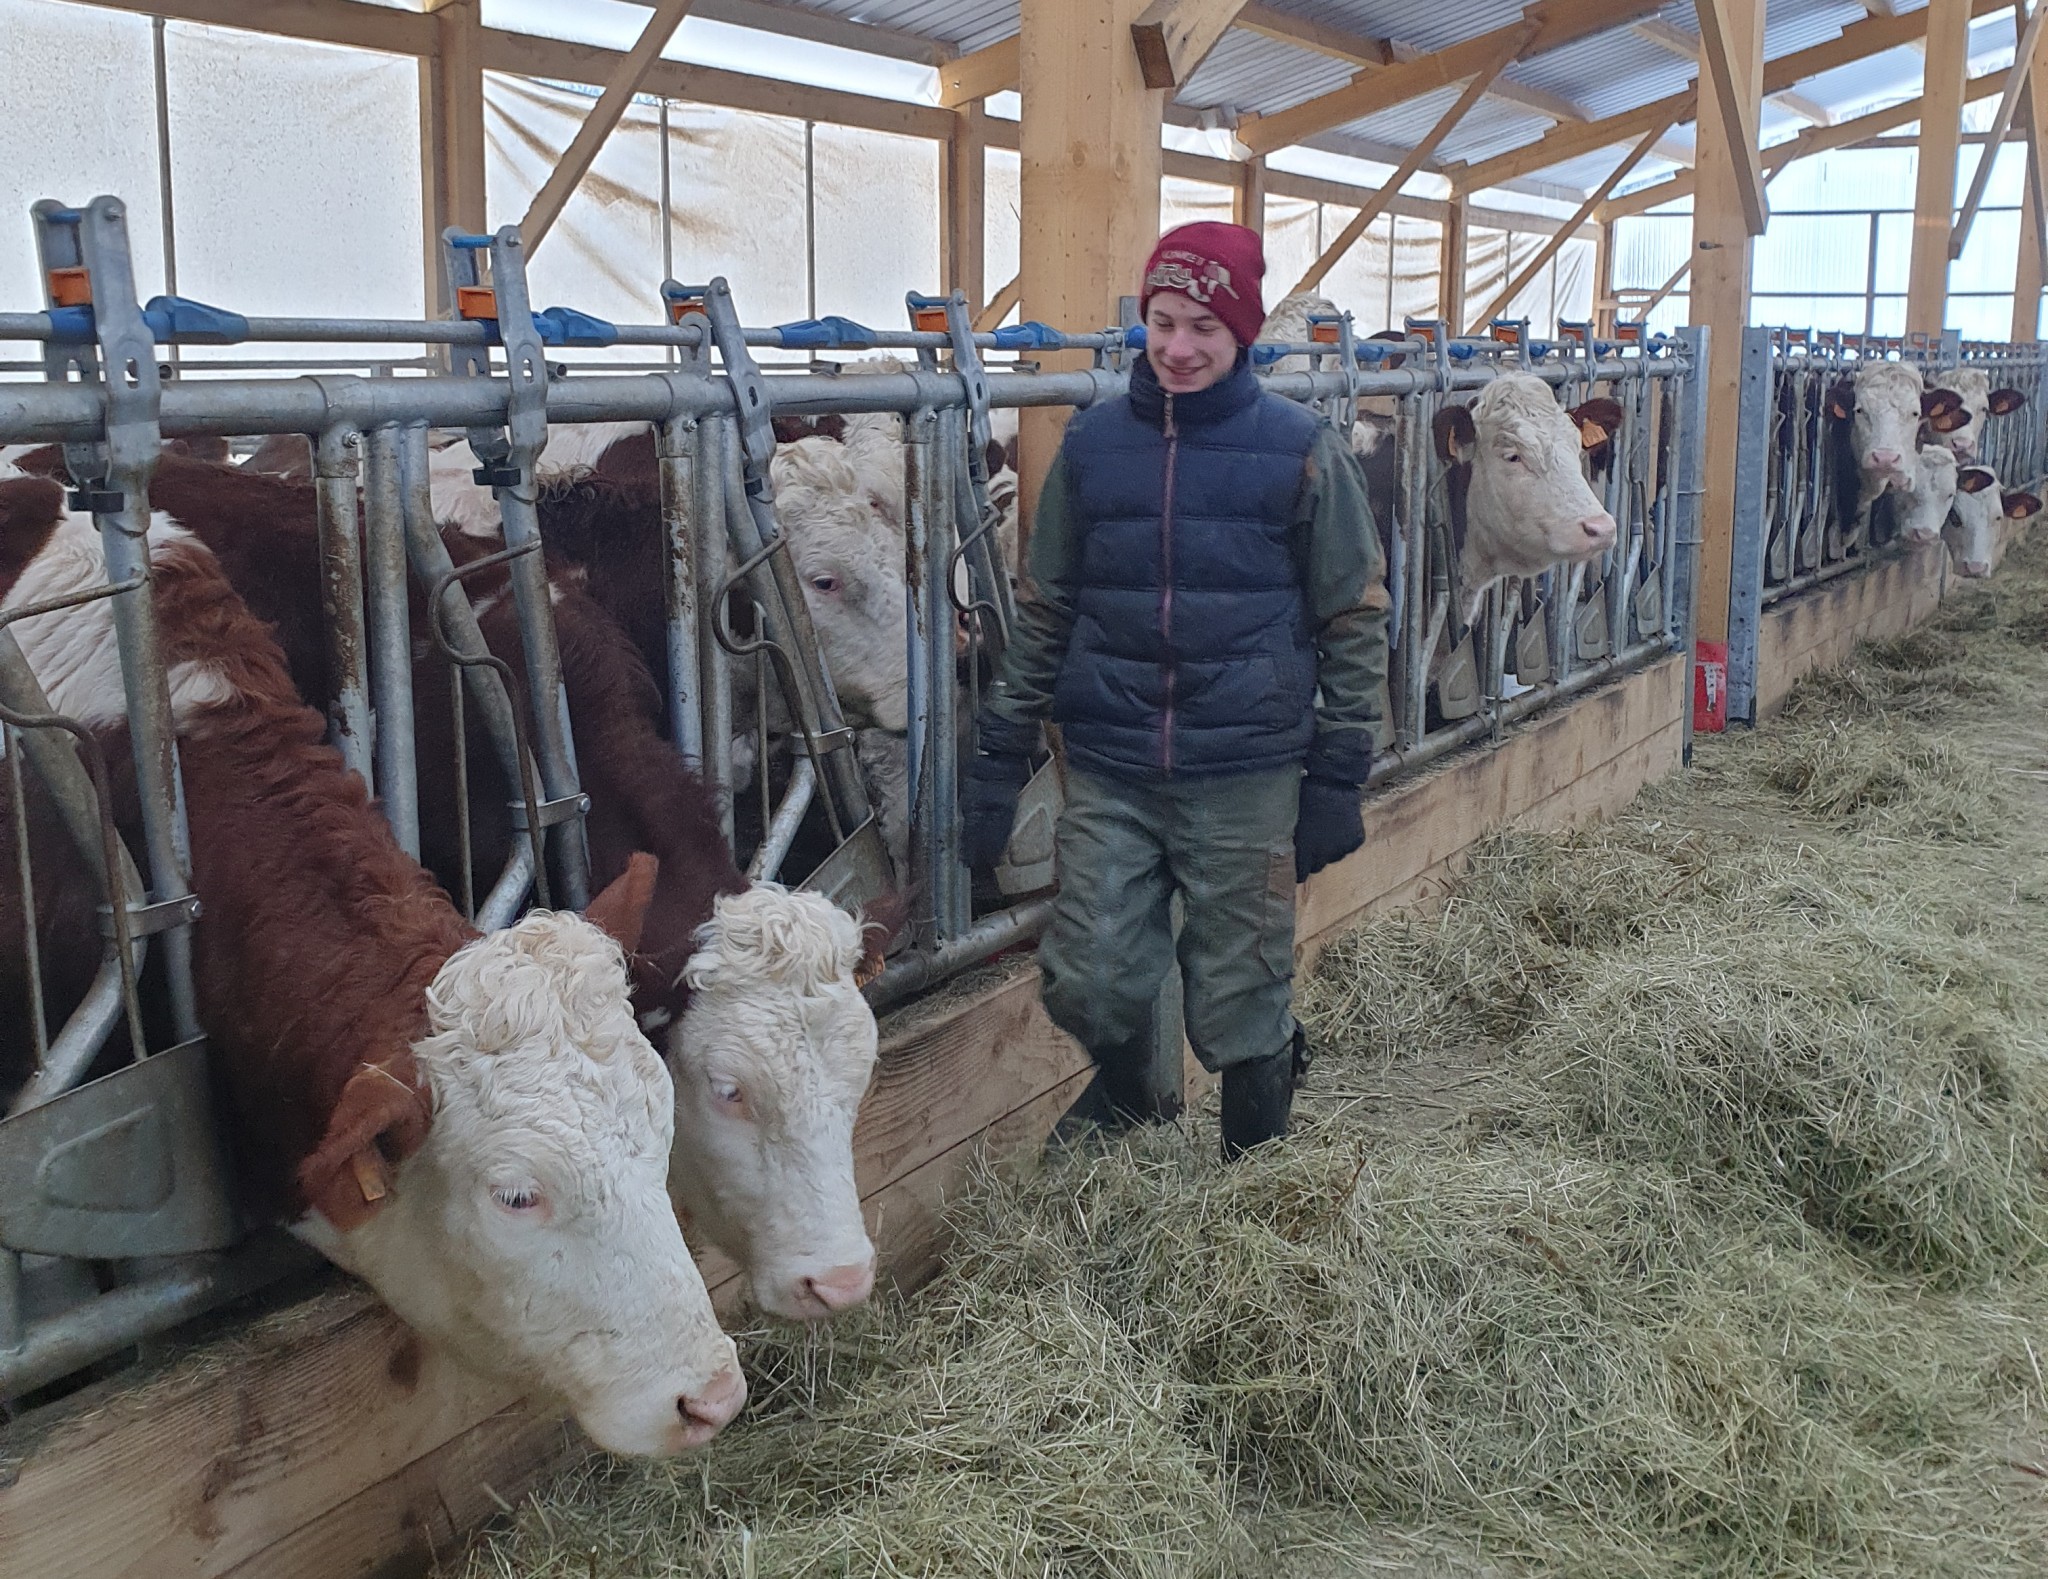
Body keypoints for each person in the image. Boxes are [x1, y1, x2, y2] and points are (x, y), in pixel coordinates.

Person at [961, 221, 1391, 1160]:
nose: (1179, 346)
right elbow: (1048, 604)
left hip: (1245, 767)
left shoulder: (1299, 448)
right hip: (1112, 763)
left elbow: (1353, 613)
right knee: (1088, 975)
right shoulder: (1093, 446)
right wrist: (1002, 750)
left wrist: (1340, 768)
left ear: (1240, 332)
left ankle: (1253, 1177)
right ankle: (1126, 1091)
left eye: (1203, 324)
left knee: (1238, 996)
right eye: (1162, 321)